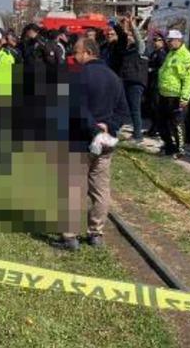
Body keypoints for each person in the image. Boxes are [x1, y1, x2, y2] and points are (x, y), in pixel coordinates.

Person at [56, 37, 129, 251]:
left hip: (79, 141)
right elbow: (123, 111)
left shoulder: (78, 77)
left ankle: (70, 236)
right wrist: (108, 127)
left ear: (87, 52)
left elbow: (77, 109)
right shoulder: (115, 78)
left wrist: (95, 129)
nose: (74, 57)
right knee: (100, 189)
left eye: (76, 52)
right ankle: (96, 233)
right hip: (106, 144)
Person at [156, 29, 190, 158]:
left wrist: (184, 97)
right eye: (168, 41)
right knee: (161, 123)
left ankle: (180, 149)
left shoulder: (186, 57)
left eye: (171, 40)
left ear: (179, 40)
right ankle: (169, 146)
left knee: (177, 124)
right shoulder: (171, 54)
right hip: (164, 94)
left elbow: (189, 79)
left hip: (176, 96)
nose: (169, 43)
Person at [113, 18, 148, 142]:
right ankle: (117, 129)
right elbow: (123, 36)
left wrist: (133, 26)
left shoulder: (140, 48)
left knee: (135, 109)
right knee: (123, 108)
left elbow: (138, 38)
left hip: (135, 83)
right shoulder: (127, 50)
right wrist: (120, 25)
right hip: (126, 81)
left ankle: (138, 135)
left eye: (131, 37)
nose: (129, 38)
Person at [144, 34, 168, 137]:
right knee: (151, 107)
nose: (155, 42)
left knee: (156, 107)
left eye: (157, 40)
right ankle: (153, 127)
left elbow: (162, 68)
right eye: (154, 40)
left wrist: (152, 70)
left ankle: (156, 128)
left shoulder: (162, 54)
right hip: (152, 83)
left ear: (162, 41)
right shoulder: (154, 53)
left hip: (158, 83)